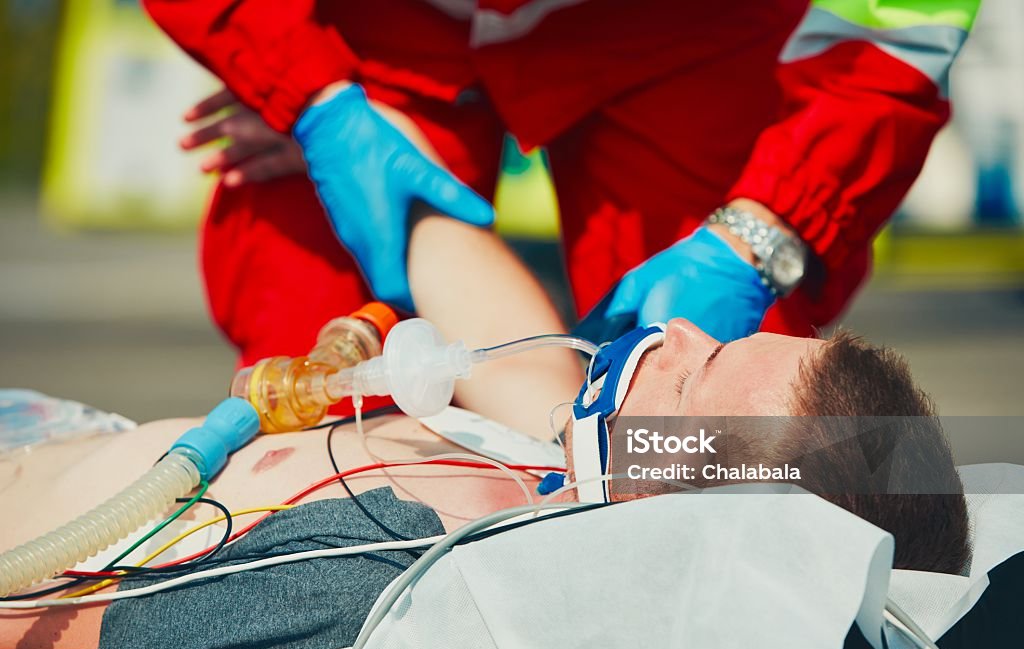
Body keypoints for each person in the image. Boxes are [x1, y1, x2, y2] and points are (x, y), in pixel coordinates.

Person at [0, 312, 972, 649]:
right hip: (61, 431)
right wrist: (339, 119)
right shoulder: (546, 462)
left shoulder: (374, 575)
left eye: (694, 369)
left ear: (672, 516)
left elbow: (63, 643)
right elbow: (488, 311)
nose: (672, 327)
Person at [144, 0, 981, 366]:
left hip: (681, 20)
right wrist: (306, 84)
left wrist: (769, 225)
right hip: (376, 17)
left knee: (726, 416)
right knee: (317, 387)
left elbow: (897, 18)